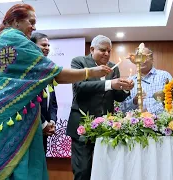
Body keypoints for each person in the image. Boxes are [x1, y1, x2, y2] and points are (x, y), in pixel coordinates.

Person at [0, 4, 112, 180]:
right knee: (16, 170)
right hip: (7, 122)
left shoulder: (1, 40)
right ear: (15, 21)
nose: (34, 27)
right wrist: (90, 72)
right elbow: (57, 74)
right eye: (31, 22)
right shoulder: (15, 39)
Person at [67, 35, 134, 180]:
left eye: (109, 51)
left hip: (105, 127)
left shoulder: (113, 67)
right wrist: (110, 84)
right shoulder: (79, 62)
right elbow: (79, 87)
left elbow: (117, 96)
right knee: (83, 169)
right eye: (103, 50)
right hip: (82, 125)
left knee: (104, 169)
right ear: (92, 49)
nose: (107, 54)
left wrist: (126, 88)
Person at [120, 47, 172, 115]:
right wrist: (134, 101)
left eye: (144, 57)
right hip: (136, 123)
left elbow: (171, 100)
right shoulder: (129, 81)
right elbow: (122, 109)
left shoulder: (164, 76)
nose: (141, 60)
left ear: (152, 59)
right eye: (138, 57)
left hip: (162, 122)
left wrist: (148, 112)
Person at [31, 32, 57, 151]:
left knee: (42, 165)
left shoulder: (47, 70)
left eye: (48, 46)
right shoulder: (29, 70)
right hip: (31, 129)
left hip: (45, 129)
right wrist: (43, 124)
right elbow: (31, 102)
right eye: (43, 45)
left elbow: (53, 102)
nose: (47, 48)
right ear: (32, 46)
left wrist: (51, 121)